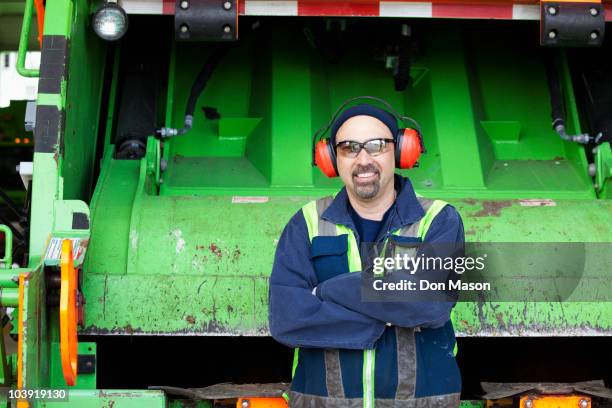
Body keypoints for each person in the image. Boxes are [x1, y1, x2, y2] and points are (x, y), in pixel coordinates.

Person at [268, 100, 464, 407]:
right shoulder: (306, 223)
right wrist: (383, 322)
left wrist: (326, 292)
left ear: (400, 151)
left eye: (376, 145)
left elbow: (431, 303)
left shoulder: (439, 219)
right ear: (332, 159)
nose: (363, 159)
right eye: (348, 147)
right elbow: (287, 318)